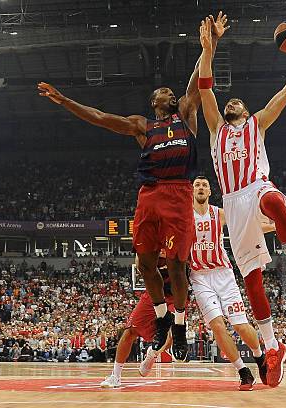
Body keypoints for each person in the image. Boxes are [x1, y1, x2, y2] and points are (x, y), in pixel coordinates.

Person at [38, 12, 229, 361]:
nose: (169, 92)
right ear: (155, 101)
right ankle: (161, 318)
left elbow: (198, 81)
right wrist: (64, 101)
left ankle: (180, 326)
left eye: (171, 92)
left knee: (176, 265)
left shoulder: (186, 113)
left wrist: (210, 44)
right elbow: (99, 117)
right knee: (145, 265)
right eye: (163, 91)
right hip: (150, 195)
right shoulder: (142, 126)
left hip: (179, 193)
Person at [197, 17, 286, 388]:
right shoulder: (216, 129)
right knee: (252, 281)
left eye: (238, 101)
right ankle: (270, 344)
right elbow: (204, 88)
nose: (232, 101)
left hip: (256, 188)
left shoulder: (258, 123)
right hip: (233, 204)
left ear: (246, 112)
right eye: (229, 100)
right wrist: (208, 48)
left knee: (277, 204)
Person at [189, 175, 269, 390]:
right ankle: (243, 371)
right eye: (197, 185)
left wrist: (275, 224)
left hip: (224, 274)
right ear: (192, 191)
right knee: (217, 325)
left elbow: (248, 226)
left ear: (209, 192)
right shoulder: (183, 216)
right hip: (199, 276)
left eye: (204, 185)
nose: (201, 187)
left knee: (240, 325)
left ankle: (260, 357)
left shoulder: (220, 213)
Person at [100, 250, 178, 388]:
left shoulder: (178, 234)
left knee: (172, 334)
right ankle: (115, 376)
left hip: (176, 293)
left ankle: (152, 353)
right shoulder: (148, 238)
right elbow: (139, 262)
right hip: (154, 291)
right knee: (129, 332)